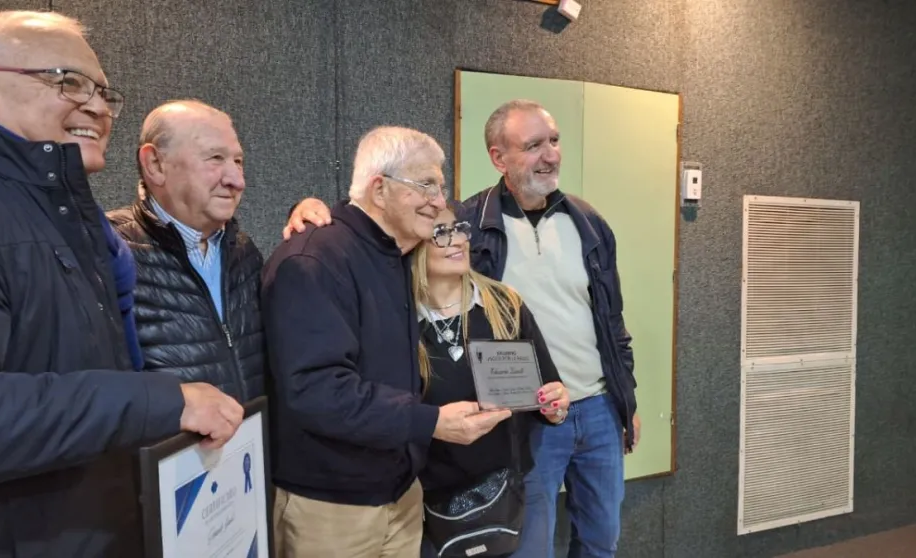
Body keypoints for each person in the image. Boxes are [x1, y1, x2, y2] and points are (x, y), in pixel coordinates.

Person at [0, 11, 243, 557]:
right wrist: (161, 402)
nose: (98, 107)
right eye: (68, 81)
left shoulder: (68, 218)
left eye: (103, 92)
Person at [284, 99, 640, 558]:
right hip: (510, 433)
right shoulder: (466, 220)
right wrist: (310, 208)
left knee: (602, 539)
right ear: (498, 157)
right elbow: (383, 220)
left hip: (594, 407)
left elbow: (612, 320)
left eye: (553, 141)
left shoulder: (588, 223)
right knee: (531, 543)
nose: (550, 155)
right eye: (533, 145)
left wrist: (626, 399)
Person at [261, 126, 512, 558]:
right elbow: (318, 390)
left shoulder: (394, 255)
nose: (439, 200)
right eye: (426, 185)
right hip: (334, 507)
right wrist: (430, 422)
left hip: (399, 493)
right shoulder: (314, 259)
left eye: (440, 186)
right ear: (379, 189)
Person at [108, 100, 332, 400]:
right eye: (215, 158)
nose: (237, 181)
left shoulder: (243, 252)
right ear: (155, 165)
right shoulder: (107, 250)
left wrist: (307, 224)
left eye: (238, 161)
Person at [414, 207, 570, 558]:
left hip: (513, 488)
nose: (458, 240)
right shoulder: (399, 317)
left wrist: (556, 405)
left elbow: (548, 390)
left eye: (459, 229)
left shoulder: (504, 304)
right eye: (441, 232)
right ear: (413, 244)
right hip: (434, 500)